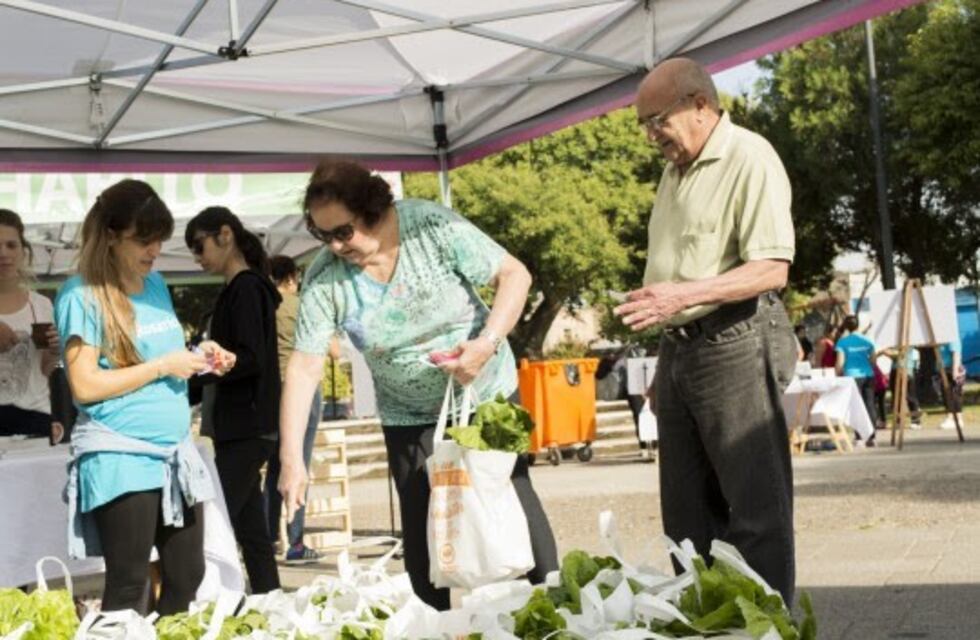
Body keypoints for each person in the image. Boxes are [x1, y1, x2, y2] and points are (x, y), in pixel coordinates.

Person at [277, 160, 559, 610]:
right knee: (426, 535)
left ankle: (550, 611)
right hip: (407, 413)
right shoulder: (325, 278)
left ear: (372, 211)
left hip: (483, 391)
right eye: (321, 234)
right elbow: (305, 366)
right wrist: (293, 459)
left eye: (343, 232)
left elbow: (514, 275)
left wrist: (484, 345)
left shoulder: (430, 226)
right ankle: (437, 624)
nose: (333, 245)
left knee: (509, 504)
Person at [615, 58, 797, 603]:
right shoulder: (675, 171)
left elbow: (772, 268)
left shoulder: (750, 157)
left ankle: (767, 628)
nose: (651, 136)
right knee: (686, 517)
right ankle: (706, 624)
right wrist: (665, 358)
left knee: (755, 510)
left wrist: (681, 296)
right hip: (681, 349)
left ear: (699, 106)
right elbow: (673, 276)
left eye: (657, 120)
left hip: (735, 339)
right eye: (644, 124)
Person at [55, 180, 235, 614]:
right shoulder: (81, 295)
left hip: (175, 453)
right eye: (144, 240)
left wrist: (199, 356)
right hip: (121, 454)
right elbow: (84, 386)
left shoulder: (153, 286)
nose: (154, 250)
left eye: (159, 240)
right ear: (112, 235)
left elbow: (159, 353)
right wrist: (162, 367)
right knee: (129, 583)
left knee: (187, 574)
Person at [185, 206, 282, 594]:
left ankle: (219, 602)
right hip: (241, 426)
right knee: (250, 530)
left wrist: (204, 368)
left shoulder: (246, 288)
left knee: (211, 522)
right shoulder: (239, 289)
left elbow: (250, 357)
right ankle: (270, 603)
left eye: (199, 246)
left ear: (225, 234)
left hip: (248, 424)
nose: (197, 257)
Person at [263, 255, 323, 565]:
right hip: (302, 392)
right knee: (299, 464)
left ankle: (267, 538)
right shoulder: (299, 306)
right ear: (291, 278)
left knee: (276, 467)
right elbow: (333, 349)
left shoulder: (263, 307)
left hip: (272, 392)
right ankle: (296, 541)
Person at [0, 209, 60, 438]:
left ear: (23, 252)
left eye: (11, 245)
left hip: (35, 422)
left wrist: (56, 352)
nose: (3, 253)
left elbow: (45, 369)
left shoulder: (41, 305)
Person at [834, 315, 877, 444]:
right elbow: (874, 361)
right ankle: (872, 437)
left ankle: (859, 437)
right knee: (869, 404)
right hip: (868, 375)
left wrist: (838, 374)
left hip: (852, 377)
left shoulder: (842, 342)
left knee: (856, 406)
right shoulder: (868, 341)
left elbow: (840, 363)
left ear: (846, 327)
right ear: (858, 325)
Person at [938, 338, 966, 430]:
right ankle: (951, 417)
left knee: (954, 394)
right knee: (947, 394)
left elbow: (956, 353)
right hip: (945, 369)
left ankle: (957, 418)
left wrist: (955, 370)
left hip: (952, 369)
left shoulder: (953, 337)